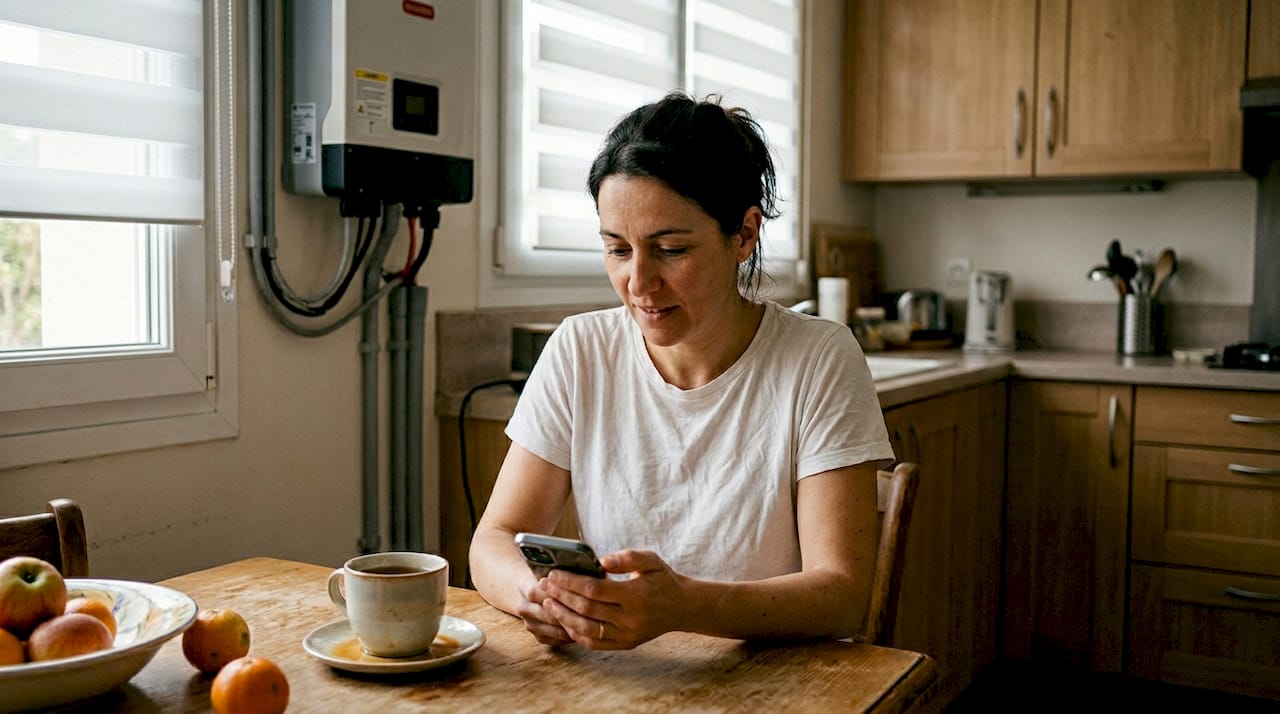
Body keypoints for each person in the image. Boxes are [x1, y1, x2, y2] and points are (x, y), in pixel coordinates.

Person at [470, 92, 894, 650]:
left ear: (744, 235)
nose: (639, 284)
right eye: (618, 250)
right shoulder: (580, 349)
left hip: (774, 677)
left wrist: (682, 606)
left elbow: (841, 594)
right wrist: (535, 595)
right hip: (619, 677)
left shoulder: (818, 359)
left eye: (670, 249)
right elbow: (493, 541)